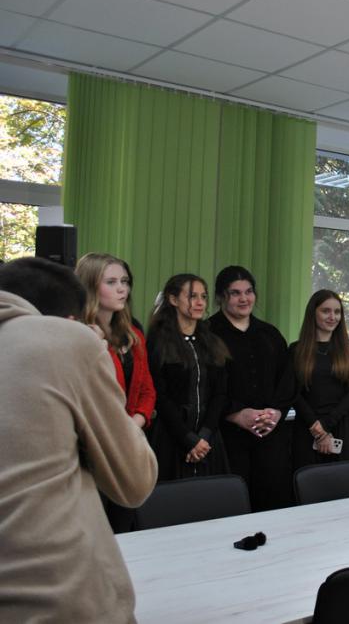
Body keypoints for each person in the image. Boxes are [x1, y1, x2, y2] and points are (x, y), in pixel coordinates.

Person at [0, 257, 157, 623]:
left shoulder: (132, 335)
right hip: (56, 596)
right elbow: (135, 483)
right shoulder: (69, 340)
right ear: (71, 319)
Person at [75, 252, 157, 532]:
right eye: (111, 282)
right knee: (94, 529)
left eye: (124, 281)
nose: (122, 289)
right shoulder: (77, 334)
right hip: (92, 449)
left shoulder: (133, 334)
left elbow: (147, 389)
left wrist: (135, 422)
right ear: (90, 286)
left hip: (128, 442)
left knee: (125, 525)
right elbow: (86, 393)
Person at [209, 266, 291, 511]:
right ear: (221, 296)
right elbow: (204, 386)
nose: (244, 299)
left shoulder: (270, 334)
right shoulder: (207, 333)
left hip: (270, 435)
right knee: (231, 505)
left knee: (272, 503)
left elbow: (287, 380)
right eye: (235, 293)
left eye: (249, 291)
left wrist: (276, 412)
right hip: (226, 437)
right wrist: (235, 414)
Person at [147, 273, 231, 480]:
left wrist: (205, 436)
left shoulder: (212, 342)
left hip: (208, 439)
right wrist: (189, 439)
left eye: (203, 296)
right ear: (173, 299)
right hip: (171, 437)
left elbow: (220, 393)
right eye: (192, 296)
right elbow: (160, 396)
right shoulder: (159, 341)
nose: (200, 302)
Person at [275, 289, 349, 474]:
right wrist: (316, 426)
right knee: (308, 485)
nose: (332, 317)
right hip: (307, 429)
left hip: (342, 428)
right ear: (313, 313)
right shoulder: (296, 350)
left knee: (344, 485)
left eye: (337, 312)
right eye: (325, 311)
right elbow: (294, 393)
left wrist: (326, 425)